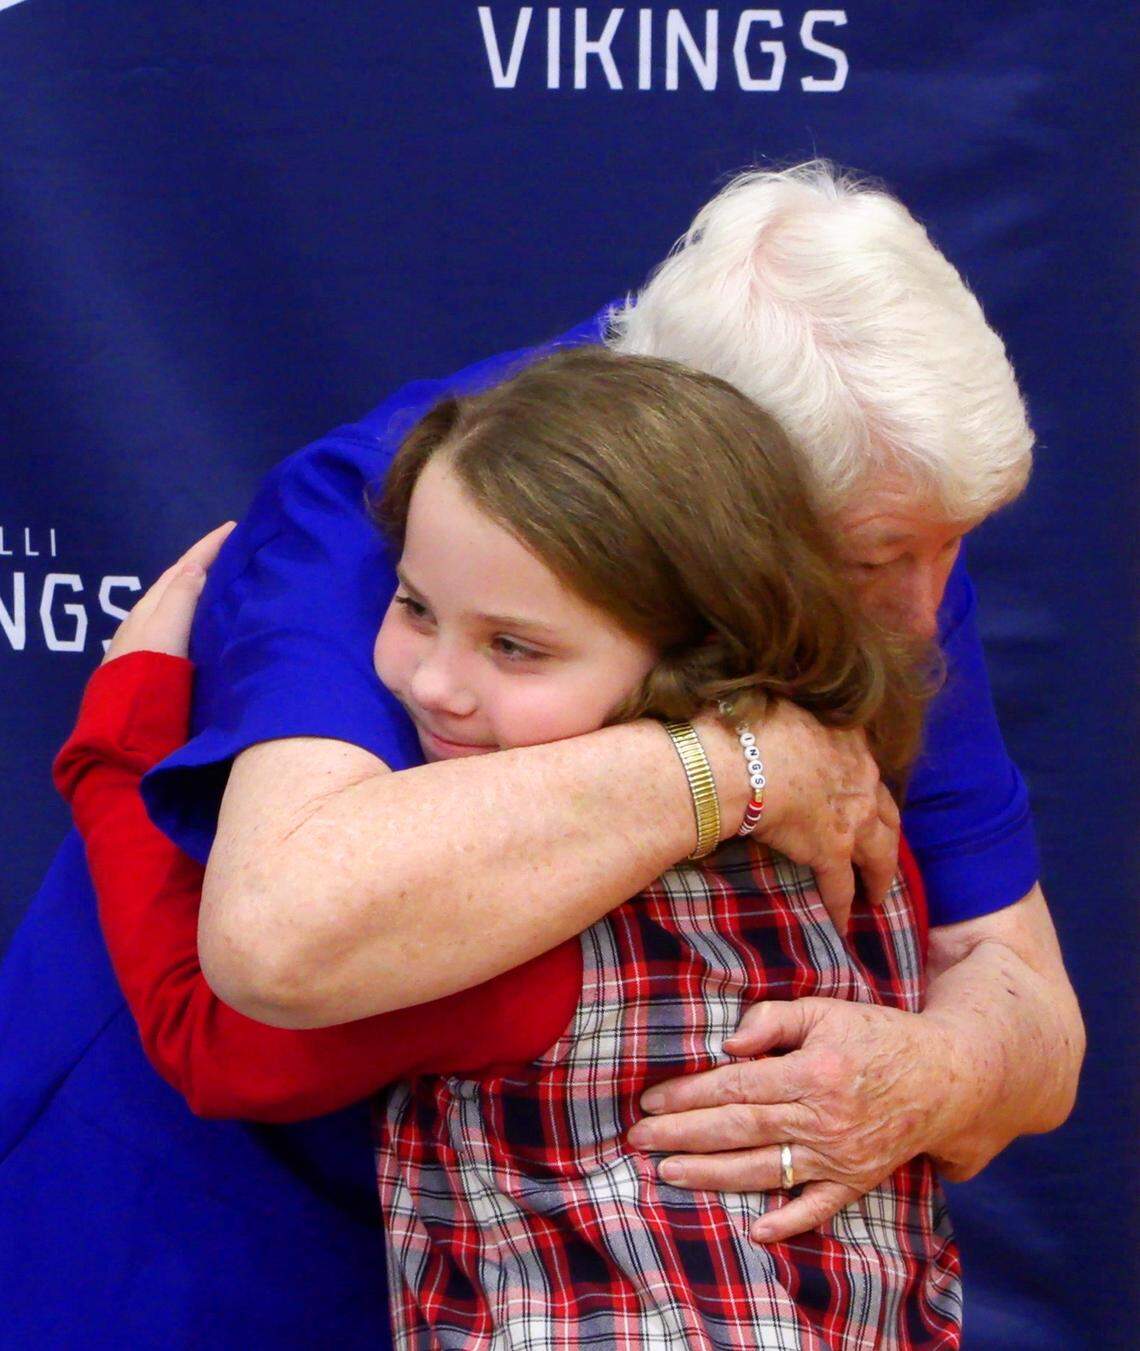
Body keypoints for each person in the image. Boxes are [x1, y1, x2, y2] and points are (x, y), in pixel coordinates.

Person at [0, 161, 1082, 1345]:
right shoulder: (412, 507)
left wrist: (929, 1073)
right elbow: (274, 948)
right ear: (713, 524)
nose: (924, 622)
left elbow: (1026, 1008)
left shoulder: (871, 502)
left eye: (945, 550)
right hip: (208, 1240)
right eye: (874, 562)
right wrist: (740, 764)